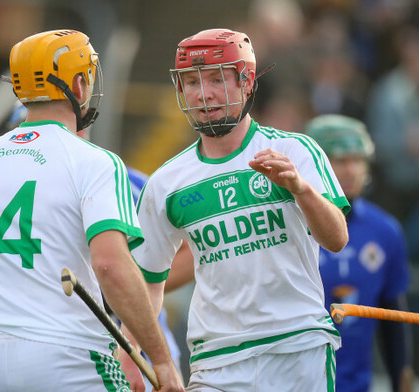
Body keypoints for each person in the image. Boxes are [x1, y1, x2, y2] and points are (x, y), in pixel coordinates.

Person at [0, 29, 183, 392]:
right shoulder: (96, 162)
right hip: (64, 355)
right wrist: (160, 360)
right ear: (79, 85)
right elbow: (110, 266)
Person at [125, 28, 350, 391]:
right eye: (192, 83)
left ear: (246, 82)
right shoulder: (166, 182)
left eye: (216, 79)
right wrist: (131, 354)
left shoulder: (296, 151)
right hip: (216, 361)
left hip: (298, 347)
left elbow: (336, 238)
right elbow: (147, 283)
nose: (204, 93)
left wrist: (300, 188)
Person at [7, 100, 184, 392]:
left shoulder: (127, 183)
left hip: (137, 348)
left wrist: (129, 287)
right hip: (66, 348)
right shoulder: (14, 192)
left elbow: (186, 250)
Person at [305, 114, 415, 392]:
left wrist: (401, 379)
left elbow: (394, 318)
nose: (351, 170)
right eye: (340, 160)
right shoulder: (285, 226)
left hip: (355, 385)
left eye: (359, 159)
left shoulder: (385, 231)